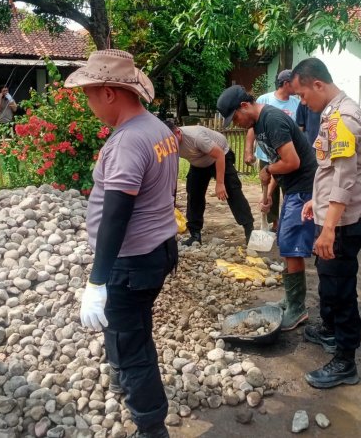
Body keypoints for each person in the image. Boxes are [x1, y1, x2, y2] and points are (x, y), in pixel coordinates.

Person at [65, 49, 178, 438]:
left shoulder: (128, 142)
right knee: (133, 328)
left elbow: (116, 213)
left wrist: (97, 281)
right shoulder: (157, 129)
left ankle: (151, 428)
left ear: (110, 93)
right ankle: (122, 377)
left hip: (131, 262)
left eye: (90, 93)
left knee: (131, 347)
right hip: (158, 249)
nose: (88, 102)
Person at [291, 58, 361, 389]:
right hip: (334, 213)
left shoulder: (342, 117)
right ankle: (329, 330)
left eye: (301, 94)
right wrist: (318, 200)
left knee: (340, 287)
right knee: (329, 279)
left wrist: (328, 228)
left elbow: (344, 178)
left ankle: (345, 360)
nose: (302, 102)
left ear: (317, 85)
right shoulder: (331, 113)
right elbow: (331, 170)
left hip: (342, 222)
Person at [218, 85, 315, 331]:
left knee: (291, 246)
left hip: (303, 189)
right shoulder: (259, 124)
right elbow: (277, 160)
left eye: (236, 118)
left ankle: (297, 307)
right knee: (285, 243)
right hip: (291, 188)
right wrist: (270, 193)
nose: (237, 124)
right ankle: (290, 299)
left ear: (244, 106)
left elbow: (292, 162)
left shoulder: (272, 120)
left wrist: (269, 170)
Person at [165, 121, 254, 245]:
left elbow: (219, 155)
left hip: (221, 156)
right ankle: (195, 235)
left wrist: (220, 183)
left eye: (172, 140)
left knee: (233, 192)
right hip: (198, 163)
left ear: (178, 132)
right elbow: (172, 166)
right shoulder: (165, 142)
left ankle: (249, 231)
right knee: (194, 194)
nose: (170, 144)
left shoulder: (196, 137)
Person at [244, 70, 300, 230]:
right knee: (268, 191)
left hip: (286, 156)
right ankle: (274, 224)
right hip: (266, 155)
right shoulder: (265, 100)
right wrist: (248, 151)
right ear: (286, 83)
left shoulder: (296, 103)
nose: (297, 86)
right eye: (294, 83)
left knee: (288, 189)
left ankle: (289, 223)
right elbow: (252, 128)